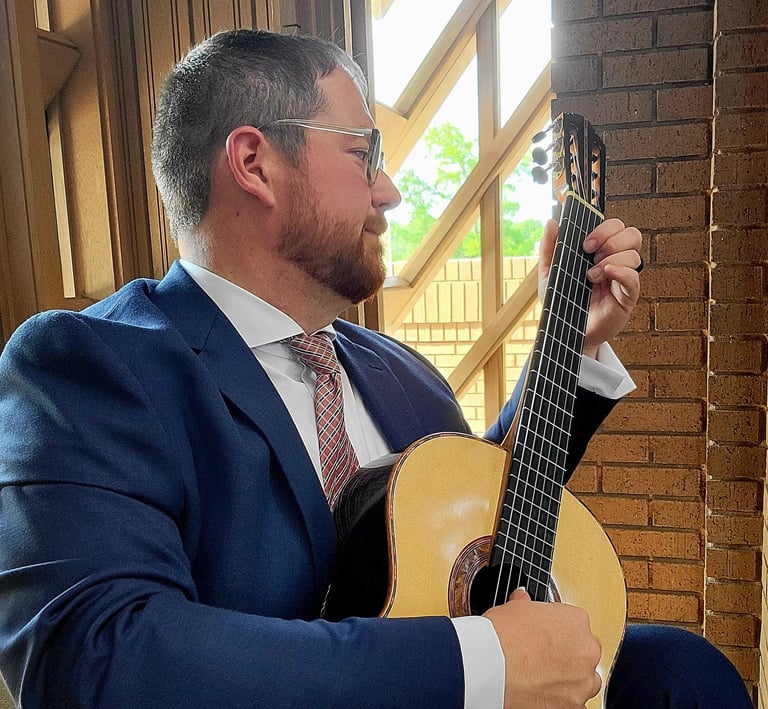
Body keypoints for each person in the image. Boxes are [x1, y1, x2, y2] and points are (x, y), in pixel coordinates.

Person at [0, 28, 751, 709]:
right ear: (255, 163)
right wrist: (476, 661)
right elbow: (98, 657)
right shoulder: (84, 366)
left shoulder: (399, 371)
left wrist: (573, 350)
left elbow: (483, 517)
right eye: (365, 156)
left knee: (681, 670)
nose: (390, 192)